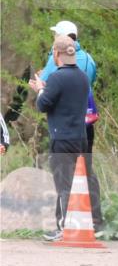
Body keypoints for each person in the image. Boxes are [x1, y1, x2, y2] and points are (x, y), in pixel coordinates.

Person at [40, 20, 102, 233]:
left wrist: (41, 88)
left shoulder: (55, 60)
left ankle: (64, 225)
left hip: (64, 127)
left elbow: (48, 87)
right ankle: (95, 219)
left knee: (63, 178)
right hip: (84, 124)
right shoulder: (89, 60)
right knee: (87, 171)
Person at [28, 36, 91, 242]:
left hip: (62, 138)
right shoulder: (82, 77)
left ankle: (64, 228)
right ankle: (67, 224)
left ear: (57, 54)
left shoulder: (57, 77)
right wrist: (48, 88)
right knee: (75, 183)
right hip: (80, 137)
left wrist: (40, 89)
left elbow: (42, 105)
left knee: (63, 185)